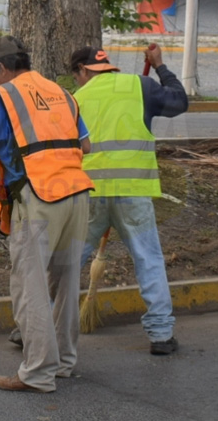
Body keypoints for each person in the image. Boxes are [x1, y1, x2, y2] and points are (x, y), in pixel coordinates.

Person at [0, 36, 93, 394]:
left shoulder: (2, 97)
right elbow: (85, 145)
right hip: (77, 195)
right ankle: (62, 362)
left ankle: (36, 373)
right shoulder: (59, 93)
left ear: (0, 68)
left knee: (29, 287)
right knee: (66, 283)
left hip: (39, 200)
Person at [68, 44, 188, 355]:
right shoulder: (141, 85)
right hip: (133, 192)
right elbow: (179, 101)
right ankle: (161, 335)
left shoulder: (73, 101)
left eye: (76, 76)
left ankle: (31, 329)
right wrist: (160, 66)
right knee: (148, 260)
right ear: (106, 65)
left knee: (65, 264)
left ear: (82, 70)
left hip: (88, 194)